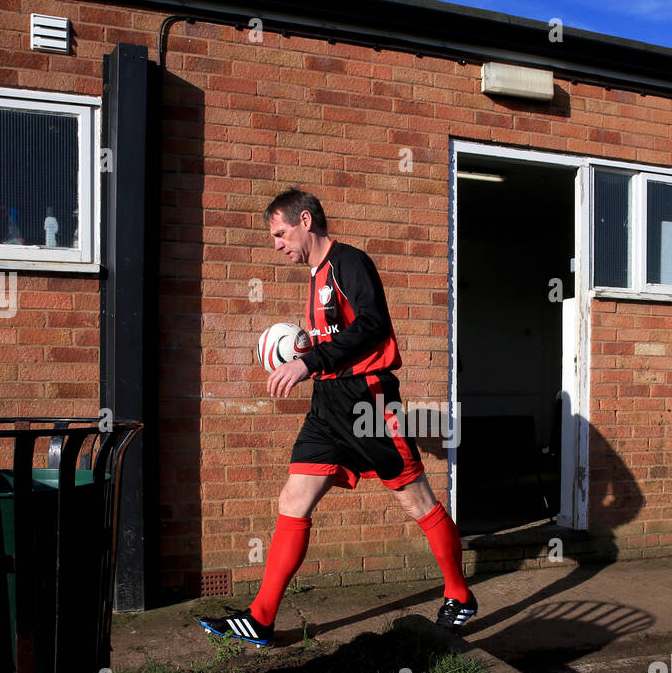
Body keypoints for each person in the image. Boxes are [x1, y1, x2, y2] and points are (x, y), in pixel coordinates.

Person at [199, 188, 477, 645]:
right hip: (326, 405)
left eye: (280, 233)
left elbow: (374, 325)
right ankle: (261, 618)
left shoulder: (350, 262)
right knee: (294, 498)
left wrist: (309, 361)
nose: (276, 244)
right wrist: (306, 352)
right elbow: (337, 339)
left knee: (416, 501)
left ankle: (459, 594)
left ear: (305, 220)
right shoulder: (314, 277)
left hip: (369, 400)